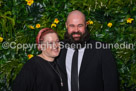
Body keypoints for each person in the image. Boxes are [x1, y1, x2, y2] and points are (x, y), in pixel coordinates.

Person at [57, 10, 119, 91]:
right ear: (66, 25)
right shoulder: (57, 48)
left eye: (80, 25)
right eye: (72, 25)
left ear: (86, 25)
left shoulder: (101, 49)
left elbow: (112, 85)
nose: (76, 30)